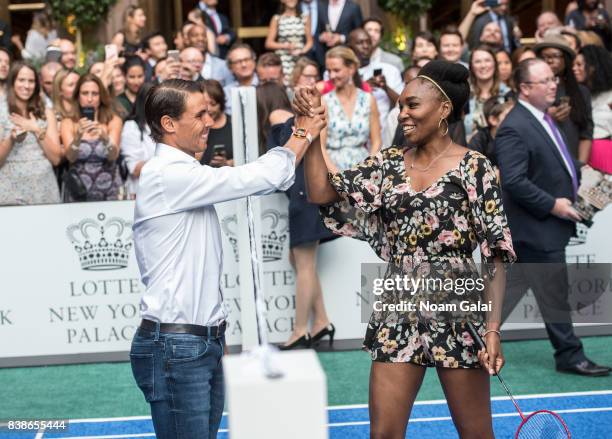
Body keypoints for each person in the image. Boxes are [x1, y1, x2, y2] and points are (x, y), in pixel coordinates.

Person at [302, 59, 515, 437]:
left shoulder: (474, 168)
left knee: (476, 434)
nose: (402, 114)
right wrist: (313, 133)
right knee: (383, 434)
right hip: (399, 302)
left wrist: (494, 330)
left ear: (444, 109)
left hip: (457, 305)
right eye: (400, 105)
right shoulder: (387, 164)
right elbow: (321, 191)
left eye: (412, 105)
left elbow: (495, 254)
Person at [130, 78, 325, 439]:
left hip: (197, 342)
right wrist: (303, 131)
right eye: (200, 114)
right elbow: (259, 176)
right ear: (169, 124)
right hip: (178, 346)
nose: (210, 121)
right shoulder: (167, 174)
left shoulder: (180, 172)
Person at [495, 58, 609, 377]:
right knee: (553, 294)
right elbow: (514, 180)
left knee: (508, 293)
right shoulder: (514, 127)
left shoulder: (540, 118)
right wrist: (553, 205)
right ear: (525, 88)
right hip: (535, 228)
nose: (553, 83)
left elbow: (552, 157)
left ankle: (469, 342)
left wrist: (580, 168)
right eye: (544, 80)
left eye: (553, 78)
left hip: (538, 229)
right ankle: (570, 355)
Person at [258, 81, 337, 350]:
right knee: (299, 260)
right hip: (305, 195)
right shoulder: (289, 117)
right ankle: (322, 321)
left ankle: (300, 330)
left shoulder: (276, 115)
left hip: (304, 197)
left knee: (303, 264)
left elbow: (296, 154)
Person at [0, 61, 62, 205]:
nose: (26, 86)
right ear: (12, 82)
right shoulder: (1, 111)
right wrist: (11, 139)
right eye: (21, 80)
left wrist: (36, 129)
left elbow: (56, 159)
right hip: (10, 189)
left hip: (43, 187)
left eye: (31, 81)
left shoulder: (46, 113)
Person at [60, 74, 123, 202]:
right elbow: (70, 157)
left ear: (101, 97)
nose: (89, 99)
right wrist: (77, 137)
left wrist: (105, 138)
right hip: (78, 192)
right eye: (85, 93)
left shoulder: (113, 120)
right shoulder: (68, 123)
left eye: (94, 94)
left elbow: (113, 156)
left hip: (109, 190)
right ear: (78, 96)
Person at [534, 34, 593, 162]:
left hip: (573, 161)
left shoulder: (581, 92)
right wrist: (548, 117)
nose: (549, 60)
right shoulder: (531, 90)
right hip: (541, 163)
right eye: (544, 57)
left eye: (555, 56)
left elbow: (586, 134)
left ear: (565, 60)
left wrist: (580, 167)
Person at [322, 46, 381, 170]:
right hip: (331, 168)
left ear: (352, 68)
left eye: (337, 70)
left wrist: (367, 169)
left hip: (363, 167)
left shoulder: (368, 100)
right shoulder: (325, 101)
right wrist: (336, 175)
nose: (332, 75)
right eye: (329, 71)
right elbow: (320, 147)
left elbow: (376, 141)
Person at [349, 28, 402, 127]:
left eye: (368, 42)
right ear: (350, 47)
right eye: (360, 43)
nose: (365, 46)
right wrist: (364, 87)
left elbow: (402, 104)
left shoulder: (389, 70)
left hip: (384, 134)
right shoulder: (340, 72)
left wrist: (386, 88)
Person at [575, 45, 612, 173]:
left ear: (593, 67)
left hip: (605, 155)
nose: (574, 69)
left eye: (579, 65)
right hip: (580, 154)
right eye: (573, 65)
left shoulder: (610, 95)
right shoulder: (575, 95)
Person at [464, 45, 510, 140]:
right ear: (471, 66)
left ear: (495, 64)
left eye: (487, 60)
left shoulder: (507, 95)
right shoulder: (465, 95)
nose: (483, 65)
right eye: (478, 61)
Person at [120, 83, 156, 198]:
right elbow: (135, 169)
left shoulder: (163, 126)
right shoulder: (131, 126)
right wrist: (169, 163)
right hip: (140, 193)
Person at [265, 0, 313, 84]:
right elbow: (268, 43)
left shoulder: (305, 17)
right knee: (284, 85)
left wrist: (301, 51)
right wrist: (285, 46)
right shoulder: (277, 18)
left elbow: (310, 42)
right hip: (283, 60)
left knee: (299, 84)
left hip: (299, 59)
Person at [468, 96, 514, 168]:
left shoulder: (517, 137)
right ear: (493, 120)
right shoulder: (479, 140)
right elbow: (472, 167)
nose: (516, 119)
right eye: (509, 116)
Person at [315, 0, 363, 66]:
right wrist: (322, 37)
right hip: (324, 57)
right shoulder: (321, 6)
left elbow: (359, 33)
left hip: (346, 56)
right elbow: (317, 31)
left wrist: (341, 38)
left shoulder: (353, 7)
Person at [198, 79, 233, 166]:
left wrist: (228, 164)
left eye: (213, 104)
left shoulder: (234, 124)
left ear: (221, 103)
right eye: (204, 104)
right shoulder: (193, 125)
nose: (208, 109)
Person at [223, 43, 259, 114]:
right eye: (238, 62)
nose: (244, 65)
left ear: (254, 61)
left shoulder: (266, 86)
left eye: (247, 59)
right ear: (230, 67)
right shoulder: (225, 93)